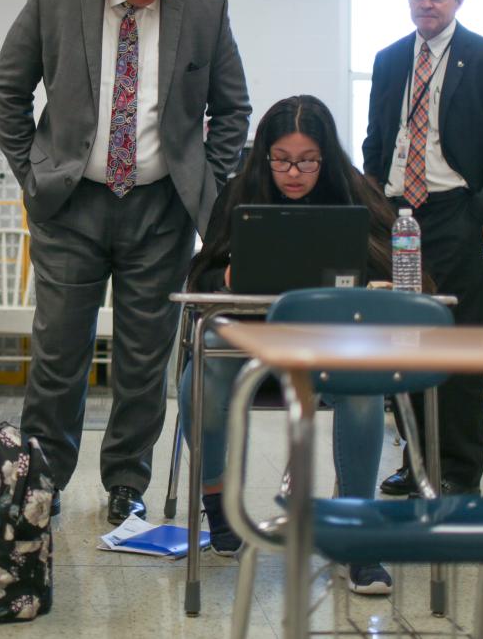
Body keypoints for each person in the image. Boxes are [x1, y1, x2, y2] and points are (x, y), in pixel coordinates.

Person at [0, 0, 251, 524]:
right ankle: (42, 482)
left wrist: (204, 183)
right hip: (71, 205)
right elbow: (9, 90)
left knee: (142, 359)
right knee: (58, 354)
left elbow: (233, 110)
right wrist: (34, 173)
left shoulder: (205, 9)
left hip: (161, 210)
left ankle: (126, 483)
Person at [180, 96, 398, 593]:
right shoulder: (240, 191)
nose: (293, 173)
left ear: (326, 158)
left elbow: (400, 268)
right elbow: (201, 274)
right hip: (248, 339)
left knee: (365, 386)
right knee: (202, 376)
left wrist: (369, 283)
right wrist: (228, 274)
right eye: (281, 159)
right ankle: (219, 506)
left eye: (306, 161)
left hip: (328, 343)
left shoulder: (354, 192)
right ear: (264, 155)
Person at [362, 0, 483, 497]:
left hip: (455, 212)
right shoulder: (389, 60)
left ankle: (457, 471)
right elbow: (375, 138)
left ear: (457, 1)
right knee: (406, 343)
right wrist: (371, 203)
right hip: (398, 216)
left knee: (455, 348)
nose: (426, 4)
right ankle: (416, 462)